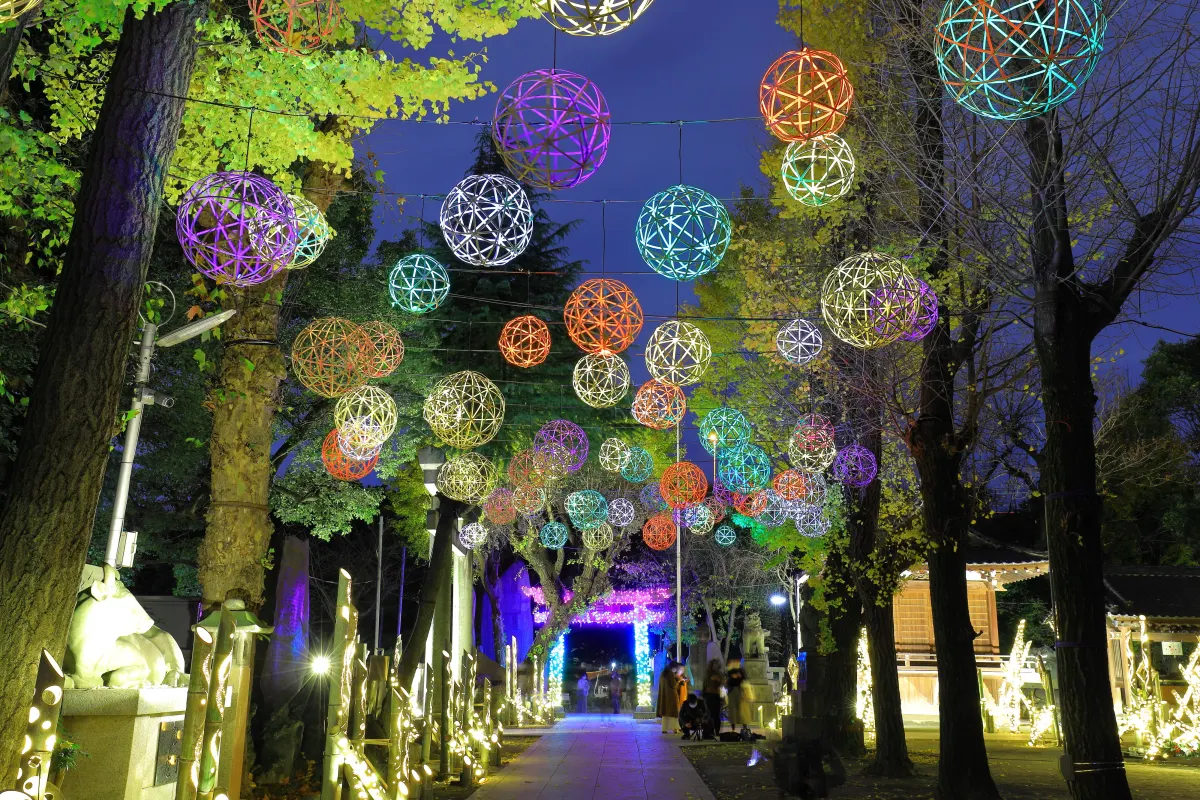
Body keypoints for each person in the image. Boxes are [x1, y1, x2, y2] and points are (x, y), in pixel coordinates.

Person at [655, 661, 684, 733]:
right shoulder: (670, 674)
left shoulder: (663, 673)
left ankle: (664, 729)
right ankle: (675, 728)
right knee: (673, 713)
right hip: (671, 696)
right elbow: (674, 685)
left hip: (664, 696)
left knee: (665, 713)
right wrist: (679, 680)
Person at [726, 659, 751, 731]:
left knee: (743, 711)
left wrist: (739, 676)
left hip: (741, 691)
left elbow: (745, 679)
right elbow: (728, 681)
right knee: (733, 710)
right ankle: (733, 728)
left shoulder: (741, 670)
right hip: (732, 692)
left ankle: (745, 727)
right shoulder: (729, 672)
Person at [703, 658, 725, 735]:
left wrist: (718, 680)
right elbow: (705, 684)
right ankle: (710, 731)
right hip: (708, 695)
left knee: (716, 715)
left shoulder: (719, 674)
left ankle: (717, 731)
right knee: (709, 713)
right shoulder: (708, 674)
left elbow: (722, 683)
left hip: (716, 695)